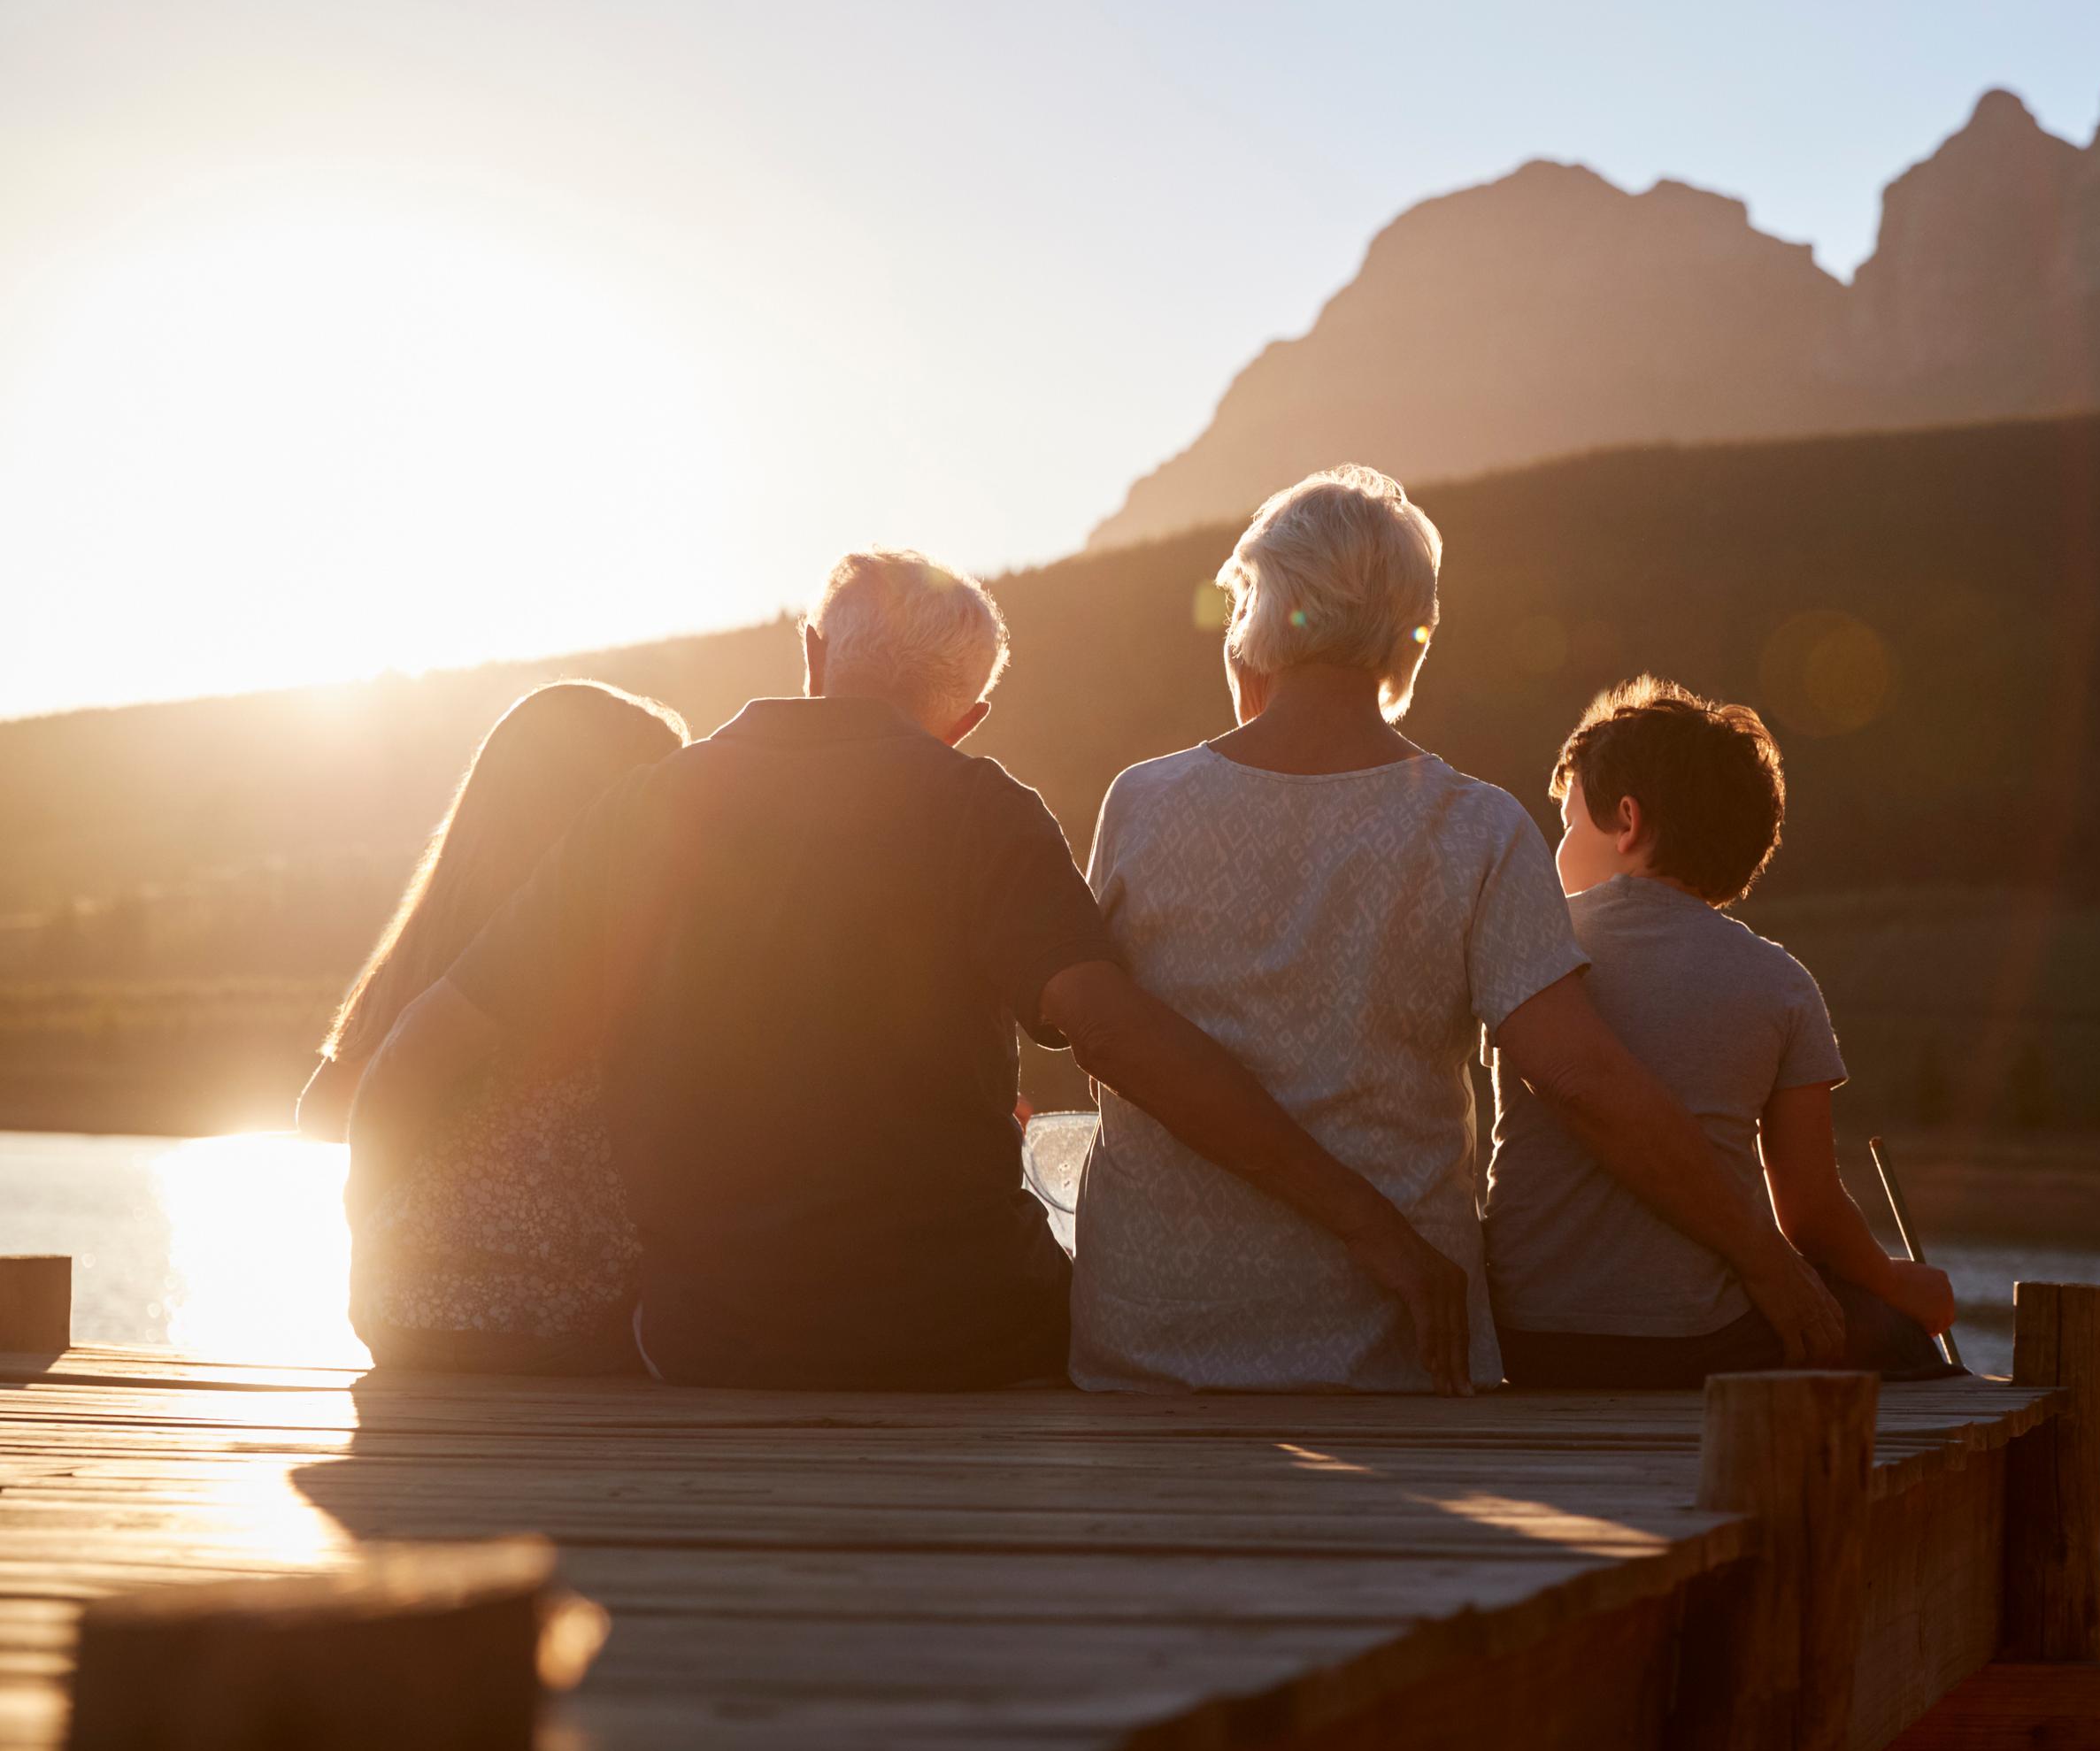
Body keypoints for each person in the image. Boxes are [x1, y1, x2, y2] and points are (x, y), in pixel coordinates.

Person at [344, 549, 1469, 1392]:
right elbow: (1120, 1037)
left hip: (706, 1342)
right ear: (968, 716)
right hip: (957, 1336)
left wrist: (359, 1233)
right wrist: (1370, 1225)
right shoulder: (981, 811)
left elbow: (430, 1041)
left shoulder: (642, 810)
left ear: (813, 654)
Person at [1066, 467, 1845, 1392]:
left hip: (1148, 1347)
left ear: (1260, 622)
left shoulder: (1141, 802)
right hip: (1388, 1348)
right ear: (1409, 640)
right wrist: (1765, 1259)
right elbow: (1580, 1079)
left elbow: (1106, 1048)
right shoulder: (1474, 826)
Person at [1483, 677, 1958, 1390]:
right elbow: (1811, 1211)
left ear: (1628, 821)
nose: (1560, 846)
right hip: (1697, 1343)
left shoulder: (1533, 949)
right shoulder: (1780, 982)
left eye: (1570, 823)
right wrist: (1895, 1285)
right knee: (1899, 1347)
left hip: (1526, 1337)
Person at [297, 680, 686, 1373]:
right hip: (576, 1331)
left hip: (402, 1316)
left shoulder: (435, 936)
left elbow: (321, 1111)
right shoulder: (620, 943)